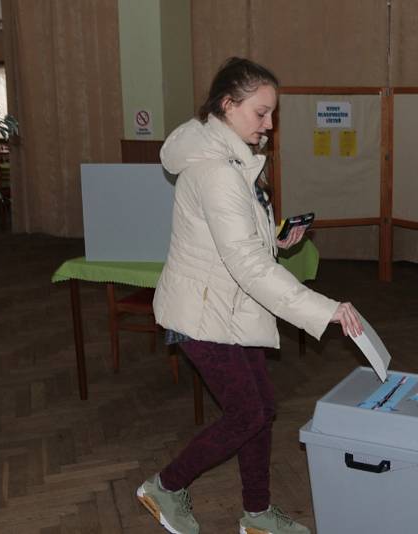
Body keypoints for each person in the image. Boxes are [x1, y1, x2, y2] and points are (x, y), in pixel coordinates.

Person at [136, 57, 363, 534]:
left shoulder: (234, 158)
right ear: (228, 105)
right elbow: (247, 265)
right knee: (249, 412)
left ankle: (257, 516)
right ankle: (166, 486)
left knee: (260, 410)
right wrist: (326, 308)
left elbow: (241, 245)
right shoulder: (217, 171)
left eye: (272, 114)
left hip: (229, 307)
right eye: (261, 113)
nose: (270, 124)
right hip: (203, 312)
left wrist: (275, 240)